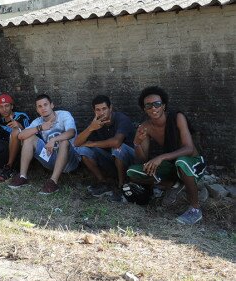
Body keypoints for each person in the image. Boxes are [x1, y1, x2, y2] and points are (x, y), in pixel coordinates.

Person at [126, 86, 207, 225]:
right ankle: (174, 184)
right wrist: (137, 143)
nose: (153, 108)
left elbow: (189, 148)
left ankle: (195, 209)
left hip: (192, 163)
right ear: (144, 109)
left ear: (163, 106)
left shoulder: (177, 117)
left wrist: (161, 157)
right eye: (148, 105)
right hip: (172, 165)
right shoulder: (144, 127)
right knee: (132, 172)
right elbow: (143, 159)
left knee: (181, 162)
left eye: (157, 104)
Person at [9, 94, 81, 194]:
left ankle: (53, 182)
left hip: (70, 160)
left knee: (64, 142)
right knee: (29, 138)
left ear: (52, 105)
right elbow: (21, 136)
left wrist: (54, 139)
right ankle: (22, 177)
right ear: (37, 110)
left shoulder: (64, 115)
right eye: (40, 106)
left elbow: (71, 132)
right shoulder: (38, 121)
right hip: (51, 159)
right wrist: (40, 128)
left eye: (45, 105)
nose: (43, 108)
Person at [74, 95, 135, 200]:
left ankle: (121, 185)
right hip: (111, 160)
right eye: (98, 110)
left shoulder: (121, 119)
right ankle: (103, 182)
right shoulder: (95, 123)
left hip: (129, 161)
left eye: (104, 109)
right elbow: (76, 143)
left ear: (110, 108)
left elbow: (116, 142)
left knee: (117, 148)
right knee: (83, 150)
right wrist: (90, 128)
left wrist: (92, 144)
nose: (101, 113)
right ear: (94, 111)